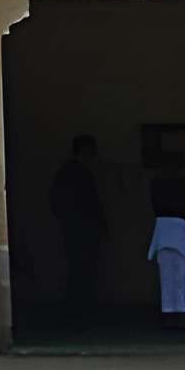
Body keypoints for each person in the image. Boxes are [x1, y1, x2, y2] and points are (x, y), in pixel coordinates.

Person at [50, 135, 107, 321]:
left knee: (79, 270)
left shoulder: (68, 172)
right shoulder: (79, 173)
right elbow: (90, 202)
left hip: (74, 228)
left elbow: (56, 202)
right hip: (82, 230)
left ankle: (75, 312)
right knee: (82, 271)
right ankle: (76, 313)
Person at [147, 167, 185, 331]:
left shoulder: (157, 184)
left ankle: (170, 316)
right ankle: (180, 315)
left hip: (165, 227)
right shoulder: (181, 183)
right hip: (179, 226)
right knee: (180, 277)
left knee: (167, 277)